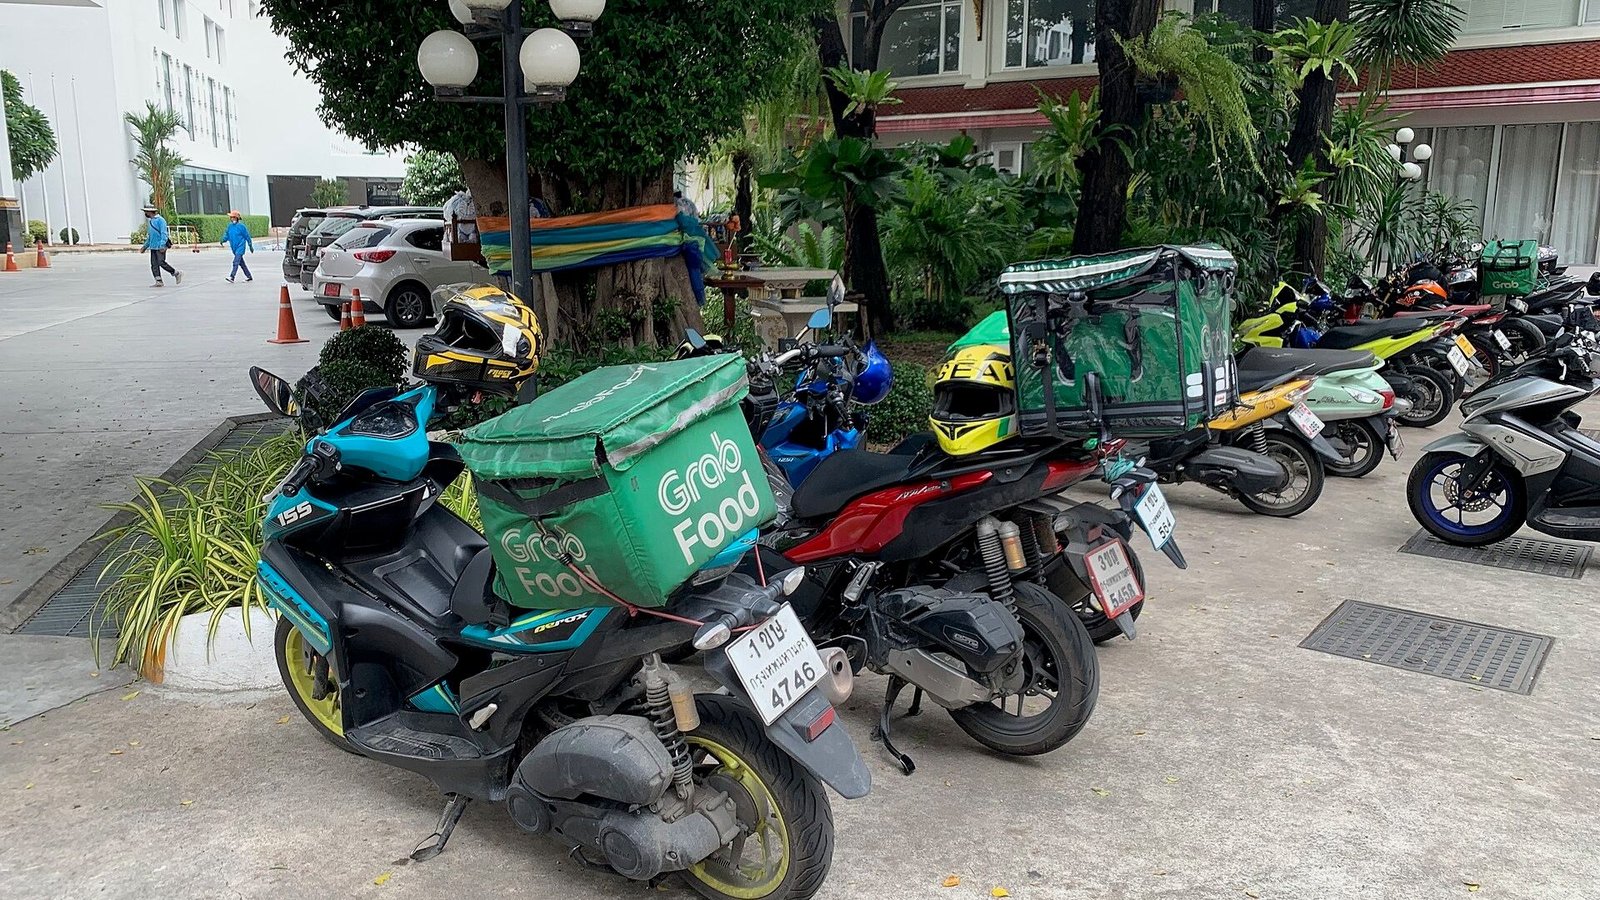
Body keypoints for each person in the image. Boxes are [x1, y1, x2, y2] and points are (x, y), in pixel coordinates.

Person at [142, 205, 182, 287]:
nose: (145, 213)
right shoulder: (151, 221)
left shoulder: (161, 220)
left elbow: (164, 234)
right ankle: (158, 281)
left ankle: (176, 273)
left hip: (160, 246)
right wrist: (145, 246)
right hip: (153, 246)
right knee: (154, 264)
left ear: (150, 212)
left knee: (161, 262)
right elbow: (150, 236)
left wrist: (162, 245)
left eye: (146, 212)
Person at [220, 210, 254, 282]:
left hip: (240, 247)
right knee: (242, 263)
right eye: (231, 217)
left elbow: (247, 236)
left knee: (235, 262)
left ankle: (232, 276)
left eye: (233, 217)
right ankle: (249, 276)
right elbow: (227, 235)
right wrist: (223, 240)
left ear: (237, 218)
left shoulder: (242, 227)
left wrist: (250, 245)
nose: (232, 218)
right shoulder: (230, 226)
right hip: (234, 248)